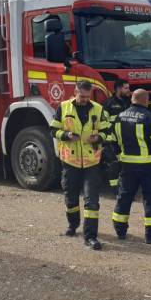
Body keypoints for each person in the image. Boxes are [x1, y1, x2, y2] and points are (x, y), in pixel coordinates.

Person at [49, 80, 111, 250]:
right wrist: (66, 135)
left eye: (87, 96)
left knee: (92, 200)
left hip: (92, 162)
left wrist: (99, 138)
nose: (84, 99)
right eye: (81, 96)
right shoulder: (63, 107)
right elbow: (53, 130)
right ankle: (73, 224)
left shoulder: (98, 109)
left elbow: (107, 131)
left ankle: (90, 237)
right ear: (75, 92)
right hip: (70, 161)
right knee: (71, 198)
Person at [111, 89, 151, 244]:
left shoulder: (119, 116)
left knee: (124, 196)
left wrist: (120, 156)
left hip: (127, 166)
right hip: (148, 166)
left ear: (132, 99)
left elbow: (112, 141)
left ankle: (120, 231)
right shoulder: (149, 117)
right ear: (146, 100)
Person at [102, 79, 132, 189]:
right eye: (126, 88)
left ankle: (126, 187)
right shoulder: (109, 103)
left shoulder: (129, 102)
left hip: (126, 140)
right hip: (111, 141)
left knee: (126, 163)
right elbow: (103, 122)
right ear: (118, 89)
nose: (129, 90)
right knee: (114, 163)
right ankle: (115, 189)